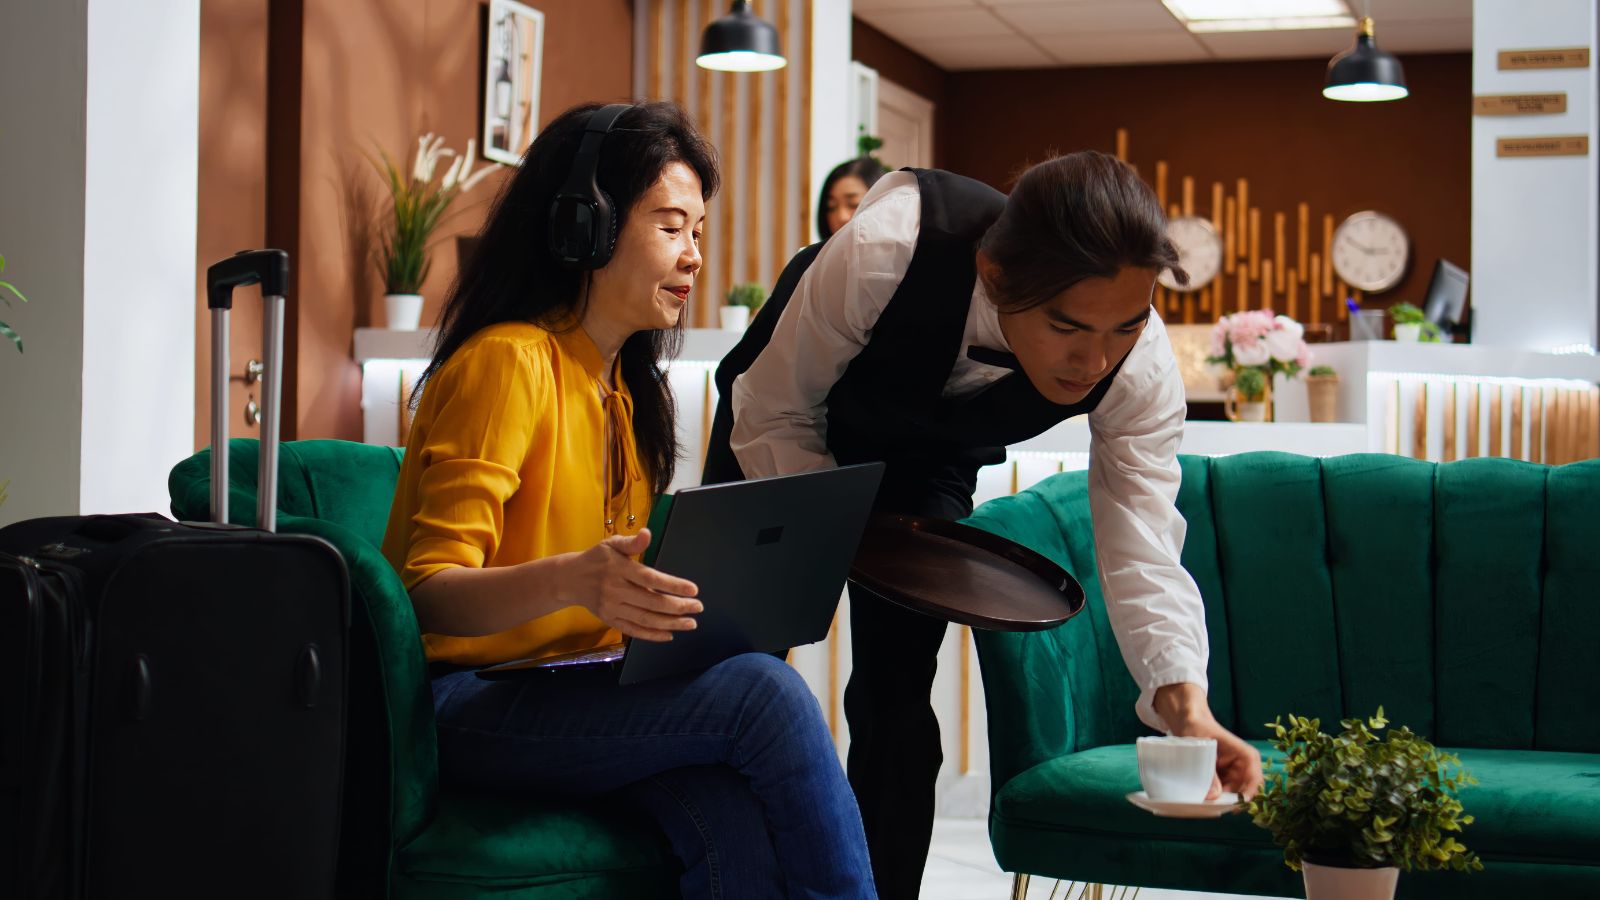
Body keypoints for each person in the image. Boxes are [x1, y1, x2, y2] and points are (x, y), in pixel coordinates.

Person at [702, 154, 1266, 899]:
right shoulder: (886, 249)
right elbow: (774, 407)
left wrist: (1183, 704)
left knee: (897, 698)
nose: (1095, 360)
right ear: (996, 278)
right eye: (1067, 326)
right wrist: (835, 538)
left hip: (928, 459)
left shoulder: (1140, 366)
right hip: (779, 419)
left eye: (1124, 327)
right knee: (733, 667)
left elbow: (1144, 544)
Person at [381, 100, 876, 900]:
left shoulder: (623, 387)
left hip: (567, 685)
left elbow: (612, 592)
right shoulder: (510, 363)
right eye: (672, 227)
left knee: (731, 806)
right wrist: (575, 579)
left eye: (700, 233)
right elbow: (424, 595)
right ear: (590, 227)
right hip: (464, 704)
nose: (694, 258)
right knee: (766, 696)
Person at [818, 156, 889, 241]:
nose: (841, 217)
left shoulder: (904, 252)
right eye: (831, 207)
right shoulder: (814, 254)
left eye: (853, 204)